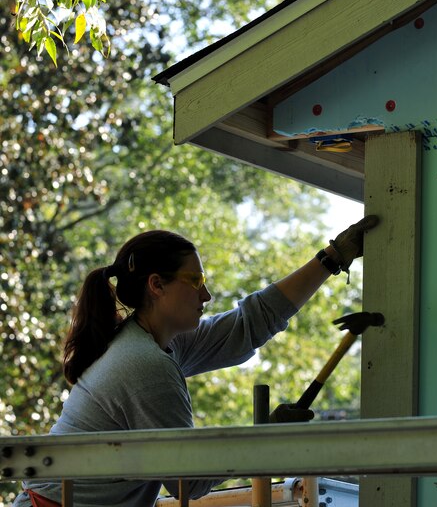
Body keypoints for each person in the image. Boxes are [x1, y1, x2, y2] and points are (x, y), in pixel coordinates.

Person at [13, 216, 378, 507]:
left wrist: (332, 258)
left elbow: (247, 326)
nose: (206, 294)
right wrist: (267, 434)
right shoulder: (144, 365)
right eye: (196, 280)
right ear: (157, 285)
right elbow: (190, 481)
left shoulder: (152, 341)